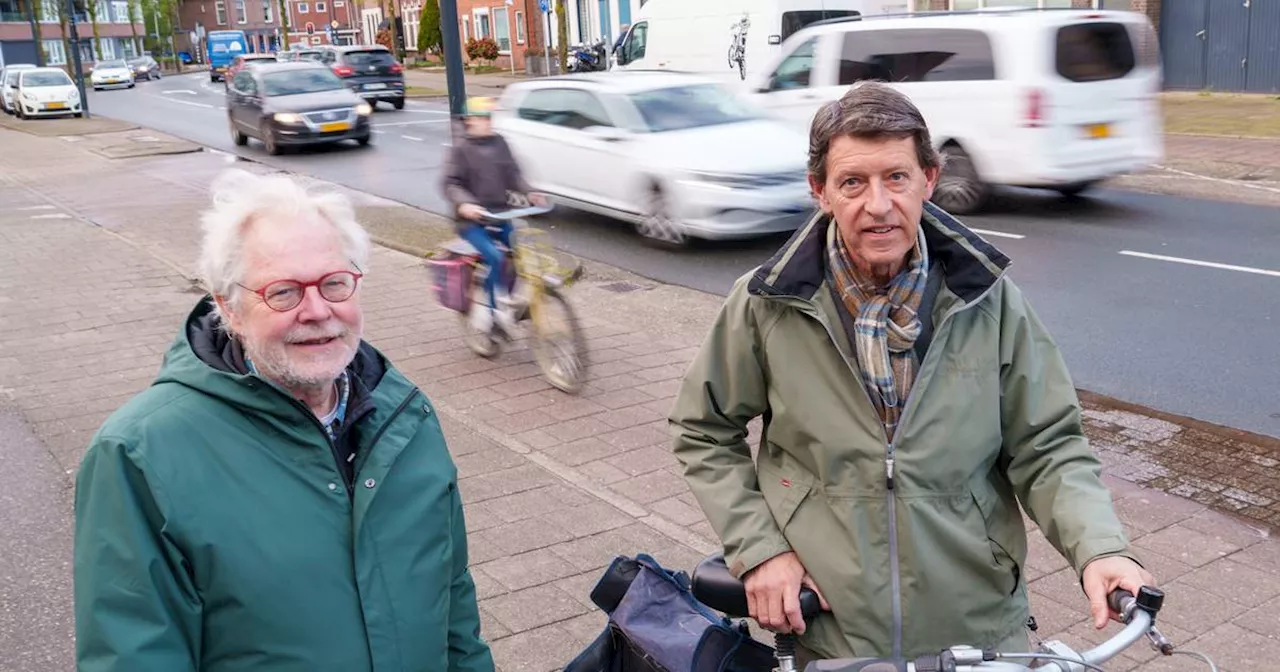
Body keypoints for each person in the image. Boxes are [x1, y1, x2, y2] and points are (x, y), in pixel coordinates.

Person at [669, 82, 1153, 664]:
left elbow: (1048, 444)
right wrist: (761, 549)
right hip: (832, 625)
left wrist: (1100, 548)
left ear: (928, 177)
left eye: (896, 177)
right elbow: (703, 429)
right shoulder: (766, 302)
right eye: (853, 182)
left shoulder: (990, 301)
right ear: (819, 191)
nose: (878, 205)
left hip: (975, 622)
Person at [73, 169, 494, 672]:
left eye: (335, 283)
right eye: (284, 292)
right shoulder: (139, 458)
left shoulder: (407, 420)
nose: (317, 311)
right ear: (229, 308)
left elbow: (454, 609)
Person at [441, 95, 546, 335]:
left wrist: (531, 192)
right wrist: (465, 204)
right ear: (469, 121)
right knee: (495, 257)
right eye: (481, 118)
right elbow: (450, 183)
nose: (487, 122)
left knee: (521, 255)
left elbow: (513, 175)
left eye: (489, 118)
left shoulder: (500, 143)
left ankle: (506, 301)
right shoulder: (460, 149)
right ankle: (489, 313)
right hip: (471, 221)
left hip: (500, 214)